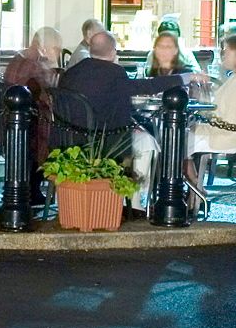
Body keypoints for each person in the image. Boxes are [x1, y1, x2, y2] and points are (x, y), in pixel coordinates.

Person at [57, 31, 178, 209]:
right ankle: (135, 203)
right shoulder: (114, 73)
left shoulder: (71, 72)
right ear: (113, 51)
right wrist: (182, 78)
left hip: (68, 140)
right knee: (147, 141)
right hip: (103, 142)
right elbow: (143, 87)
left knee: (140, 136)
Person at [185, 33, 236, 207]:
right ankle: (194, 188)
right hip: (235, 135)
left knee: (176, 141)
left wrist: (202, 103)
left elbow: (226, 119)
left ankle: (195, 189)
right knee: (181, 138)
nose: (223, 55)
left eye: (226, 51)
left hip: (228, 137)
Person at [1, 27, 65, 168]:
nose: (59, 53)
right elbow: (49, 100)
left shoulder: (19, 58)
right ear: (45, 47)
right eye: (57, 49)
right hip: (31, 133)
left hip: (7, 126)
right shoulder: (36, 66)